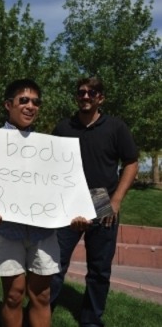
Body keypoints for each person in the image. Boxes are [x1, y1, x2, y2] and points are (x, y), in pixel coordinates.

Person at [50, 77, 138, 327]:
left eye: (92, 92)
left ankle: (90, 321)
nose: (86, 96)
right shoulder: (63, 128)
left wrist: (116, 200)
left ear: (101, 98)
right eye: (81, 92)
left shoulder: (116, 128)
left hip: (101, 200)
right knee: (54, 264)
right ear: (76, 97)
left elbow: (131, 162)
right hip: (68, 201)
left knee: (99, 270)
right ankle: (41, 312)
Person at [0, 79, 59, 327]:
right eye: (23, 100)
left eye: (36, 102)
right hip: (6, 230)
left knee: (42, 295)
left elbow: (61, 186)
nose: (30, 106)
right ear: (8, 105)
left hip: (42, 230)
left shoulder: (49, 147)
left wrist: (73, 213)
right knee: (14, 295)